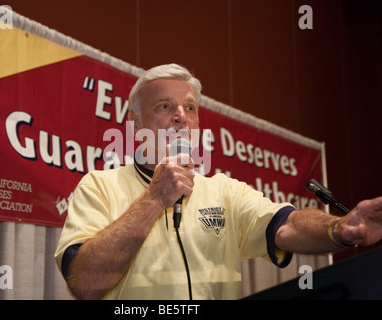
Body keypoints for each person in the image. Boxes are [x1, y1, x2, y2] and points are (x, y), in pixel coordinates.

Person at [54, 63, 382, 300]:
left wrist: (338, 230)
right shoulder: (98, 185)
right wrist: (154, 199)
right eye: (165, 106)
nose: (181, 115)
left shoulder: (224, 191)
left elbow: (289, 225)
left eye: (190, 108)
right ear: (134, 122)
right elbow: (84, 282)